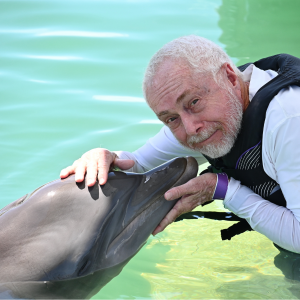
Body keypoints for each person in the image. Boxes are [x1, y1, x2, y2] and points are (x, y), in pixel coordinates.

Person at [60, 35, 300, 254]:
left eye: (194, 102)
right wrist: (104, 158)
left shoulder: (289, 120)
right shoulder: (211, 117)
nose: (190, 129)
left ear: (229, 77)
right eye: (171, 119)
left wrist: (225, 189)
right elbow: (138, 164)